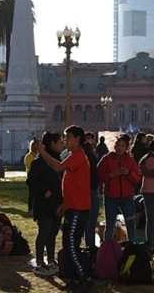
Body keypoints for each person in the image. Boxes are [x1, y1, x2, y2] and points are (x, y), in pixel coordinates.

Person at [38, 125, 92, 292]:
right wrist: (65, 204)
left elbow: (58, 167)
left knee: (71, 244)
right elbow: (74, 185)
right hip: (72, 207)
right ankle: (76, 277)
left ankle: (84, 276)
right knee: (69, 243)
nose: (66, 140)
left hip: (78, 209)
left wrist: (43, 152)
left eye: (68, 137)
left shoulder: (78, 155)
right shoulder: (73, 156)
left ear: (77, 139)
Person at [27, 132, 63, 277]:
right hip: (44, 205)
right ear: (52, 144)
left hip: (57, 203)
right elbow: (30, 182)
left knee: (53, 232)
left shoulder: (58, 161)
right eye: (60, 142)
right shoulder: (38, 162)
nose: (62, 145)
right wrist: (44, 190)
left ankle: (51, 260)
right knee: (44, 231)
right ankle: (40, 262)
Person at [97, 134, 141, 242]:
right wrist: (111, 175)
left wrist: (128, 173)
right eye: (118, 145)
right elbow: (99, 175)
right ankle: (107, 247)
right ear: (114, 146)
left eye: (122, 146)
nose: (119, 148)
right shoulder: (107, 159)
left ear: (126, 148)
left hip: (127, 197)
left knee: (130, 223)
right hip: (111, 196)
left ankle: (132, 246)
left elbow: (137, 179)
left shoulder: (130, 161)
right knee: (110, 224)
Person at [83, 131, 101, 249]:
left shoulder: (87, 152)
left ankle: (90, 243)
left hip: (90, 188)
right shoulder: (86, 152)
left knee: (89, 220)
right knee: (90, 220)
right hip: (90, 188)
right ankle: (90, 245)